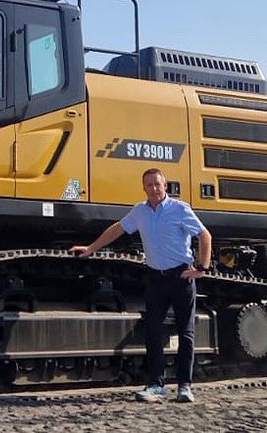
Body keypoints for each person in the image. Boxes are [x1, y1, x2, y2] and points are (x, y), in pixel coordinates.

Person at [70, 167, 212, 404]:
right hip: (156, 277)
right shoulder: (139, 212)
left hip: (181, 277)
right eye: (149, 185)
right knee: (153, 331)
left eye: (158, 184)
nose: (154, 189)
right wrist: (91, 248)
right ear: (144, 187)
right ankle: (156, 384)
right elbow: (117, 229)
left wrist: (202, 268)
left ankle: (185, 386)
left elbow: (204, 235)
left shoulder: (180, 209)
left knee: (186, 332)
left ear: (165, 186)